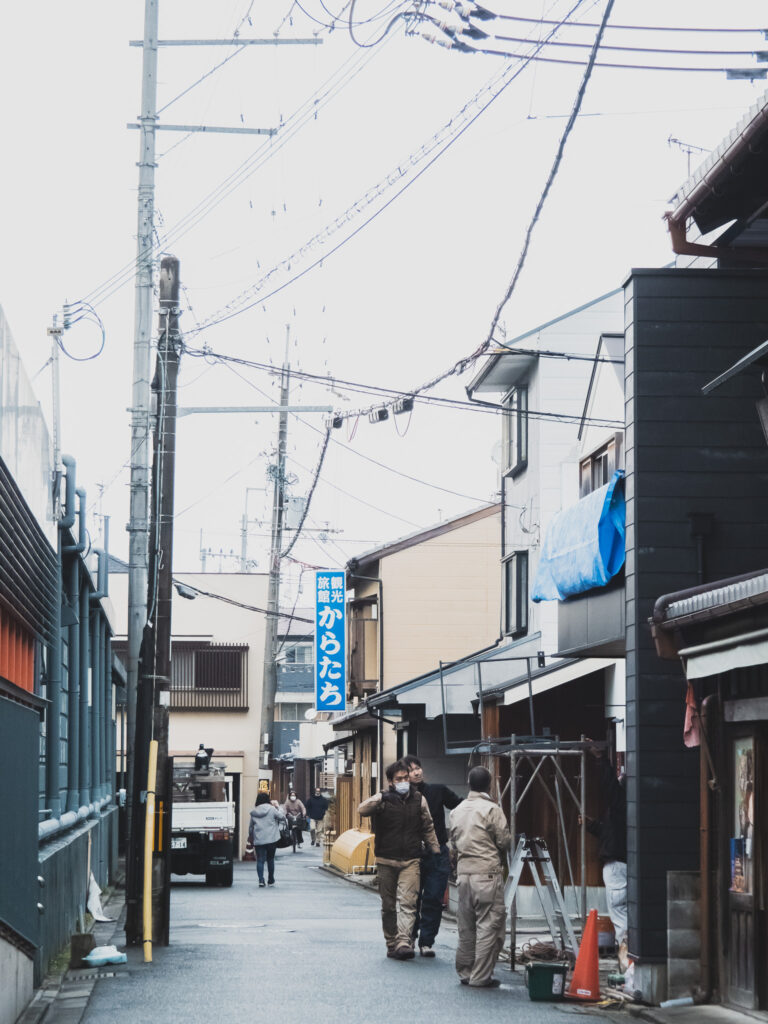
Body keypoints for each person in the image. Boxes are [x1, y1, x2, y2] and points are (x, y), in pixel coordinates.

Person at [358, 758, 440, 961]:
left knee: (408, 903)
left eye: (406, 778)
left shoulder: (419, 799)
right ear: (391, 782)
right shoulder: (383, 800)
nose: (404, 781)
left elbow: (428, 826)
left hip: (411, 860)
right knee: (388, 905)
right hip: (386, 859)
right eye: (399, 779)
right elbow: (362, 810)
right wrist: (381, 797)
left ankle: (404, 941)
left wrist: (435, 848)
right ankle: (391, 942)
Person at [449, 765, 511, 988]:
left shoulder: (457, 810)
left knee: (466, 926)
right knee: (489, 925)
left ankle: (465, 971)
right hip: (486, 873)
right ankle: (480, 976)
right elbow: (504, 840)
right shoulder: (491, 809)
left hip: (464, 874)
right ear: (489, 784)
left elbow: (453, 842)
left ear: (469, 784)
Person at [403, 754, 462, 957]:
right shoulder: (401, 797)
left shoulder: (437, 791)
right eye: (411, 770)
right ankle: (409, 938)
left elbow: (460, 805)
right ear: (404, 775)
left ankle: (427, 942)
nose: (417, 772)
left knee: (434, 898)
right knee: (412, 899)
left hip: (437, 853)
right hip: (412, 854)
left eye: (418, 767)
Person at [580, 741, 628, 971]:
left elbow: (611, 789)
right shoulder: (622, 813)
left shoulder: (622, 804)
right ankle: (627, 963)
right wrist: (592, 826)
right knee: (624, 914)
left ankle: (626, 965)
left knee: (620, 916)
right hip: (624, 861)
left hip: (617, 865)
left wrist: (601, 759)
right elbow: (611, 832)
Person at [249, 792, 287, 888]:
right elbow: (282, 817)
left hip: (259, 839)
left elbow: (250, 828)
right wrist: (278, 808)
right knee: (270, 859)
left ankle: (261, 880)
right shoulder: (272, 809)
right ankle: (271, 879)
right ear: (267, 800)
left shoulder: (254, 812)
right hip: (271, 839)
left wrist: (251, 838)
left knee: (260, 860)